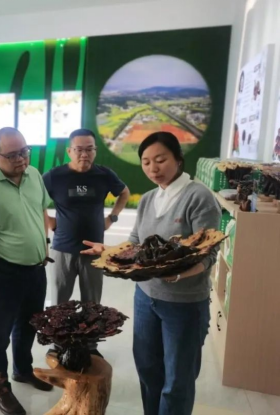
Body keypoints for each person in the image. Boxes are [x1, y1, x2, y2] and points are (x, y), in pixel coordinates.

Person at [82, 132, 221, 416]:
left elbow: (208, 253)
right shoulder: (147, 199)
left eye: (160, 159)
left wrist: (178, 275)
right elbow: (136, 243)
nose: (153, 168)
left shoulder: (199, 197)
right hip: (145, 298)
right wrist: (109, 251)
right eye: (146, 162)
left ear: (178, 159)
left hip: (183, 304)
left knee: (177, 380)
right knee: (148, 370)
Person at [0, 127, 53, 416]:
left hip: (36, 269)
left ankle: (23, 370)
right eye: (13, 155)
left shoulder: (34, 175)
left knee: (29, 324)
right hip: (5, 272)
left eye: (24, 152)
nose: (21, 159)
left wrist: (44, 244)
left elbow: (41, 210)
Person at [43, 128, 130, 310]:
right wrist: (49, 221)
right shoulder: (54, 176)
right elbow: (35, 200)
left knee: (92, 306)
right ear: (69, 151)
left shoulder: (104, 175)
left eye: (89, 149)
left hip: (94, 250)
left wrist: (112, 218)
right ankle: (61, 331)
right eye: (79, 149)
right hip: (62, 249)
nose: (84, 154)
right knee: (59, 306)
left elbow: (124, 193)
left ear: (95, 151)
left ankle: (89, 331)